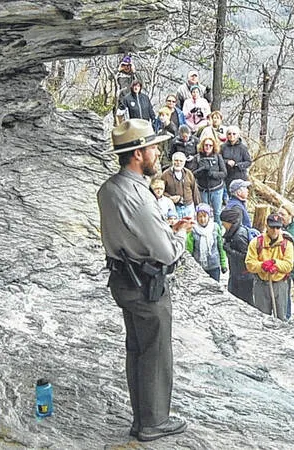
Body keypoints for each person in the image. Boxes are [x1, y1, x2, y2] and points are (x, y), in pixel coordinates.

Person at [97, 119, 193, 441]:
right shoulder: (140, 196)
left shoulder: (109, 189)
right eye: (153, 147)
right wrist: (177, 235)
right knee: (155, 351)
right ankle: (152, 423)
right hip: (146, 284)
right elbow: (166, 254)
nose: (158, 152)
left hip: (123, 280)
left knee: (137, 348)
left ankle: (142, 418)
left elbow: (130, 231)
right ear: (138, 154)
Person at [245, 213, 294, 319]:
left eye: (278, 227)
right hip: (261, 284)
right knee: (262, 318)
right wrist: (262, 266)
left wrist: (275, 263)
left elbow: (289, 265)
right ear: (267, 226)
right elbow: (249, 264)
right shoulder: (256, 243)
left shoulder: (287, 244)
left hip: (280, 284)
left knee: (281, 318)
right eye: (272, 227)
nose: (275, 230)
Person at [220, 207, 254, 305]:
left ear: (229, 222)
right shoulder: (233, 232)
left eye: (224, 222)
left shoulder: (239, 236)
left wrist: (229, 250)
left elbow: (246, 256)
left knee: (244, 301)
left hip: (244, 275)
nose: (223, 225)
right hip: (237, 273)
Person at [186, 203, 227, 282]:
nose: (202, 219)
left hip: (214, 265)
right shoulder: (193, 230)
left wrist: (223, 263)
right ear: (196, 217)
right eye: (200, 216)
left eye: (205, 216)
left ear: (209, 216)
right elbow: (189, 249)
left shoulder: (215, 227)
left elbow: (221, 246)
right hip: (198, 266)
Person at [192, 137, 226, 225]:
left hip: (217, 189)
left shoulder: (218, 157)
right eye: (206, 145)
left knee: (217, 212)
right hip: (203, 189)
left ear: (213, 146)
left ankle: (218, 232)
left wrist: (212, 174)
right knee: (204, 212)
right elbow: (192, 174)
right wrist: (201, 171)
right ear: (202, 146)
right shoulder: (197, 158)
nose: (208, 147)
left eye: (210, 145)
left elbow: (224, 173)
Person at [161, 152, 201, 219]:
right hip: (174, 208)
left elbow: (195, 190)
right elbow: (160, 191)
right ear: (172, 161)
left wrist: (198, 207)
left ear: (184, 162)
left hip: (189, 207)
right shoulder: (165, 175)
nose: (178, 163)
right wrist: (170, 197)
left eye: (181, 161)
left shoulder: (188, 173)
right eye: (176, 160)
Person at [221, 126, 252, 192]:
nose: (231, 135)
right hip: (227, 176)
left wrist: (237, 165)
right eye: (229, 134)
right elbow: (219, 160)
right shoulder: (223, 147)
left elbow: (248, 162)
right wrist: (227, 162)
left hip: (240, 176)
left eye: (234, 134)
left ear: (238, 135)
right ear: (227, 135)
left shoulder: (243, 148)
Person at [113, 55, 138, 124]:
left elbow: (141, 83)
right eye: (124, 65)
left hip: (131, 100)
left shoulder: (133, 75)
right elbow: (110, 78)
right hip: (120, 101)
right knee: (119, 121)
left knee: (133, 122)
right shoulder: (119, 74)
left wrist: (134, 71)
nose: (126, 67)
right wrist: (118, 70)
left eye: (128, 65)